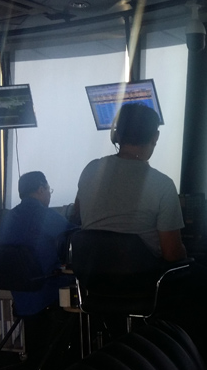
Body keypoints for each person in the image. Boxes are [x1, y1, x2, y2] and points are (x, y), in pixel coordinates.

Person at [74, 102, 186, 263]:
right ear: (155, 137)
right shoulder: (163, 185)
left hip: (92, 275)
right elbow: (172, 254)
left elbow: (77, 214)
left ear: (117, 135)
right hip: (145, 277)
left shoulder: (91, 170)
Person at [0, 171, 76, 364]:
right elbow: (75, 237)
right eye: (49, 190)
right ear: (41, 189)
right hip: (46, 292)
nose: (49, 194)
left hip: (20, 295)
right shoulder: (45, 215)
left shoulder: (8, 217)